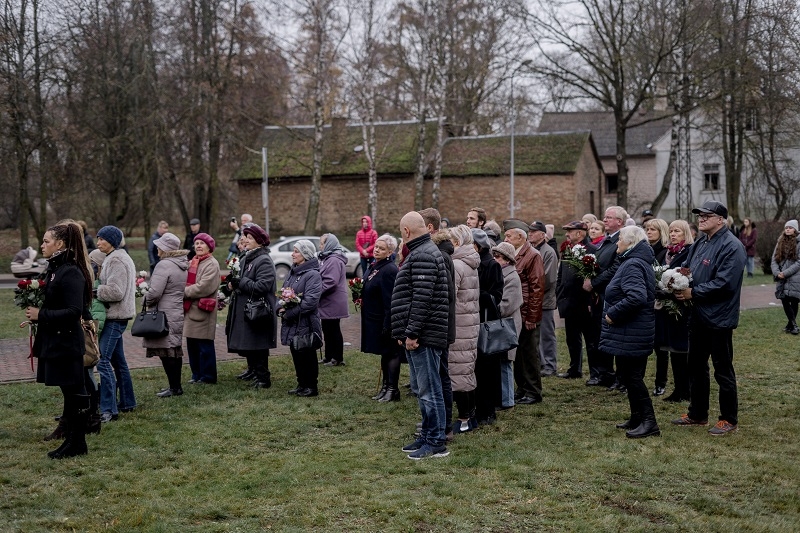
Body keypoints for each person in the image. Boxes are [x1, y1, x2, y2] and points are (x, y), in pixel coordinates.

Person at [672, 200, 746, 435]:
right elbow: (687, 269)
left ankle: (728, 419)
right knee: (695, 366)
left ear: (721, 219)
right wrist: (674, 280)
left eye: (707, 215)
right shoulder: (700, 242)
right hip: (698, 314)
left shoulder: (732, 246)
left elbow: (725, 283)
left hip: (719, 317)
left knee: (722, 369)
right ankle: (697, 413)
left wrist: (693, 292)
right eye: (699, 215)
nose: (701, 218)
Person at [27, 222, 94, 458]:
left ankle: (78, 443)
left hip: (66, 342)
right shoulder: (56, 269)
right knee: (70, 393)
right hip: (56, 340)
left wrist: (41, 314)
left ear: (60, 243)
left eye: (46, 241)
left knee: (75, 392)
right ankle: (73, 441)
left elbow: (74, 311)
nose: (42, 245)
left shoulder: (71, 271)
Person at [392, 211, 451, 460]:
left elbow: (422, 299)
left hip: (424, 334)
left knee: (430, 390)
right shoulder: (422, 251)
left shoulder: (424, 254)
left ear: (406, 232)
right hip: (423, 332)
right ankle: (428, 434)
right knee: (425, 390)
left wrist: (412, 332)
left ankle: (436, 441)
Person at [599, 226, 659, 438]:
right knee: (627, 375)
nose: (617, 243)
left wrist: (613, 313)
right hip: (630, 331)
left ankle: (649, 422)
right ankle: (637, 417)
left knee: (633, 377)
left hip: (632, 331)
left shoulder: (633, 264)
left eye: (620, 239)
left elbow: (636, 297)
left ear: (631, 243)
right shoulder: (633, 261)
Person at [226, 224, 277, 388]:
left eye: (249, 238)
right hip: (246, 307)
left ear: (259, 242)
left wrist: (241, 282)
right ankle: (255, 372)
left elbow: (262, 286)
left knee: (258, 344)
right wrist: (232, 284)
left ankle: (263, 378)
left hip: (258, 309)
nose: (245, 240)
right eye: (245, 237)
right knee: (250, 342)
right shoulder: (247, 257)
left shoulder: (264, 260)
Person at [94, 225, 137, 423]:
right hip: (117, 316)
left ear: (112, 240)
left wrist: (95, 291)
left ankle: (108, 409)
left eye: (102, 239)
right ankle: (128, 402)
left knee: (102, 360)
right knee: (119, 363)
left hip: (115, 317)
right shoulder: (116, 257)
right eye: (98, 238)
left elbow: (116, 291)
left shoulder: (117, 259)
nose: (98, 242)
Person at [420, 208, 455, 441]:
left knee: (439, 378)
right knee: (439, 376)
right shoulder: (438, 252)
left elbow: (447, 294)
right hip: (440, 325)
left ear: (429, 228)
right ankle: (439, 425)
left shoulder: (439, 256)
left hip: (439, 327)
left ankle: (442, 427)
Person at [585, 206, 627, 388]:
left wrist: (594, 283)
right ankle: (605, 373)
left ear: (620, 221)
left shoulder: (623, 240)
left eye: (609, 217)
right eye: (605, 217)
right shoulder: (606, 241)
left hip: (611, 294)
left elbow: (615, 268)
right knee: (600, 336)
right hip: (600, 296)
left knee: (614, 337)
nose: (605, 219)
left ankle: (618, 377)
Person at [503, 218, 545, 405]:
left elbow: (537, 288)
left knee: (529, 354)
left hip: (527, 312)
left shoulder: (532, 255)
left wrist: (532, 316)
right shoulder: (516, 254)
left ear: (520, 237)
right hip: (518, 313)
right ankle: (522, 388)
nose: (505, 238)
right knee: (518, 353)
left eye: (508, 235)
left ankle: (534, 391)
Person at [143, 233, 189, 397]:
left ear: (165, 248)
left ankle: (174, 388)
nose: (156, 248)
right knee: (174, 349)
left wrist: (144, 297)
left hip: (164, 312)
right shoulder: (181, 264)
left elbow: (155, 293)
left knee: (166, 351)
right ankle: (176, 386)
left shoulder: (164, 265)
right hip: (176, 310)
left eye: (159, 245)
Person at [278, 240, 323, 396]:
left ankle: (311, 386)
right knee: (296, 352)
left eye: (296, 251)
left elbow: (310, 301)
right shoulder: (293, 271)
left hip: (306, 322)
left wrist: (289, 313)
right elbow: (284, 291)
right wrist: (280, 306)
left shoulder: (313, 274)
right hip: (293, 322)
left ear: (305, 254)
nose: (293, 254)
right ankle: (301, 384)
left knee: (307, 354)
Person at [656, 219, 694, 403]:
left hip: (681, 306)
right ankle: (679, 389)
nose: (673, 234)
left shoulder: (688, 251)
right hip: (667, 307)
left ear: (685, 233)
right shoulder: (668, 253)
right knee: (672, 349)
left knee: (681, 349)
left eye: (677, 231)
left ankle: (685, 390)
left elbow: (688, 275)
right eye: (671, 231)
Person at [447, 225, 480, 434]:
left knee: (459, 373)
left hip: (460, 325)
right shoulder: (470, 262)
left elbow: (450, 295)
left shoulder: (457, 265)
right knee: (465, 371)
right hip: (468, 323)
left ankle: (465, 418)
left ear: (457, 243)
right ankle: (468, 416)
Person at [361, 234, 401, 401]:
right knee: (384, 354)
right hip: (374, 318)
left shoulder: (390, 269)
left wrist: (388, 324)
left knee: (391, 353)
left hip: (385, 319)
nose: (376, 250)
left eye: (381, 248)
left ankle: (393, 389)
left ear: (390, 251)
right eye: (376, 247)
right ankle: (385, 387)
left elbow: (390, 299)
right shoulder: (375, 265)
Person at [472, 228, 504, 426]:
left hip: (486, 321)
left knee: (487, 368)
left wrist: (477, 293)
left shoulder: (491, 265)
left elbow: (496, 295)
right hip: (473, 320)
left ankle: (489, 409)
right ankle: (476, 407)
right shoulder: (472, 265)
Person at [556, 221, 595, 380]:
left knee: (590, 340)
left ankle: (595, 372)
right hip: (569, 301)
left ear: (580, 233)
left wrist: (590, 301)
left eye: (570, 231)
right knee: (572, 339)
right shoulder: (567, 249)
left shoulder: (591, 250)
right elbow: (562, 272)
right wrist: (559, 290)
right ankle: (574, 369)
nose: (566, 234)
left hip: (584, 303)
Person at [184, 232, 221, 385]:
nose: (198, 246)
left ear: (209, 247)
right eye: (196, 243)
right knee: (192, 345)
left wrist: (183, 292)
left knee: (204, 346)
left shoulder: (212, 264)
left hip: (202, 310)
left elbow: (203, 287)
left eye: (202, 243)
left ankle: (208, 377)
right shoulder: (194, 261)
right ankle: (196, 374)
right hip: (190, 309)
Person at [491, 242, 522, 411]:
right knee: (500, 361)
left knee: (506, 362)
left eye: (499, 257)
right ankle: (501, 398)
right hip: (501, 325)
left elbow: (507, 305)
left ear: (508, 260)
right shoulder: (501, 274)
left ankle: (508, 400)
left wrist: (490, 305)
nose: (495, 259)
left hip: (508, 325)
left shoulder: (512, 277)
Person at [528, 221, 558, 377]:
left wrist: (533, 291)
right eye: (529, 231)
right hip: (535, 299)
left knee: (547, 334)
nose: (530, 233)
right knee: (536, 335)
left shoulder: (548, 252)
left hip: (544, 300)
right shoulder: (532, 250)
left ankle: (550, 365)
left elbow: (549, 278)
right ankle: (541, 363)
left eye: (534, 231)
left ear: (542, 234)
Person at [318, 233, 349, 366]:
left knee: (333, 329)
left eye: (322, 243)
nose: (320, 246)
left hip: (333, 301)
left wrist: (316, 292)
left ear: (329, 244)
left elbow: (331, 281)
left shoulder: (334, 260)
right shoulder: (328, 258)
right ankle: (329, 356)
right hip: (329, 301)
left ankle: (337, 358)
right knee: (327, 328)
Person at [771, 219, 800, 335]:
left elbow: (799, 262)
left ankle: (792, 325)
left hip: (795, 277)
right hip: (782, 277)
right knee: (783, 299)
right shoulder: (780, 241)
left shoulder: (799, 242)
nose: (788, 229)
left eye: (790, 227)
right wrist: (777, 272)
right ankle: (793, 325)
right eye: (786, 227)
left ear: (795, 229)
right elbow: (774, 259)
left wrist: (785, 273)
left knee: (794, 300)